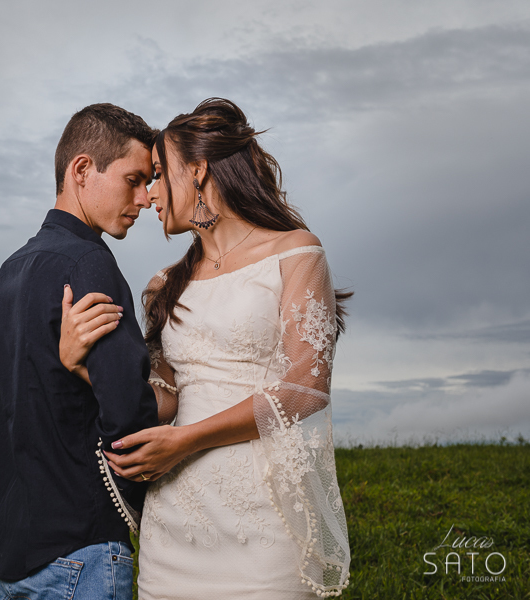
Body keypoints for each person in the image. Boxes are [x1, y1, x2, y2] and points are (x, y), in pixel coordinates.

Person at [59, 98, 352, 598]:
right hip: (174, 521)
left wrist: (187, 440)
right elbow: (165, 398)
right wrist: (79, 365)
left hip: (263, 518)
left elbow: (306, 389)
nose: (148, 194)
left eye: (157, 176)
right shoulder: (163, 285)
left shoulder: (295, 251)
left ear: (196, 171)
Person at [0, 103, 162, 600]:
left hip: (9, 558)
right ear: (81, 170)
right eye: (134, 179)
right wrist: (112, 507)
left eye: (151, 182)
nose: (145, 197)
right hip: (81, 549)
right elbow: (130, 415)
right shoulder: (89, 263)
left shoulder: (9, 271)